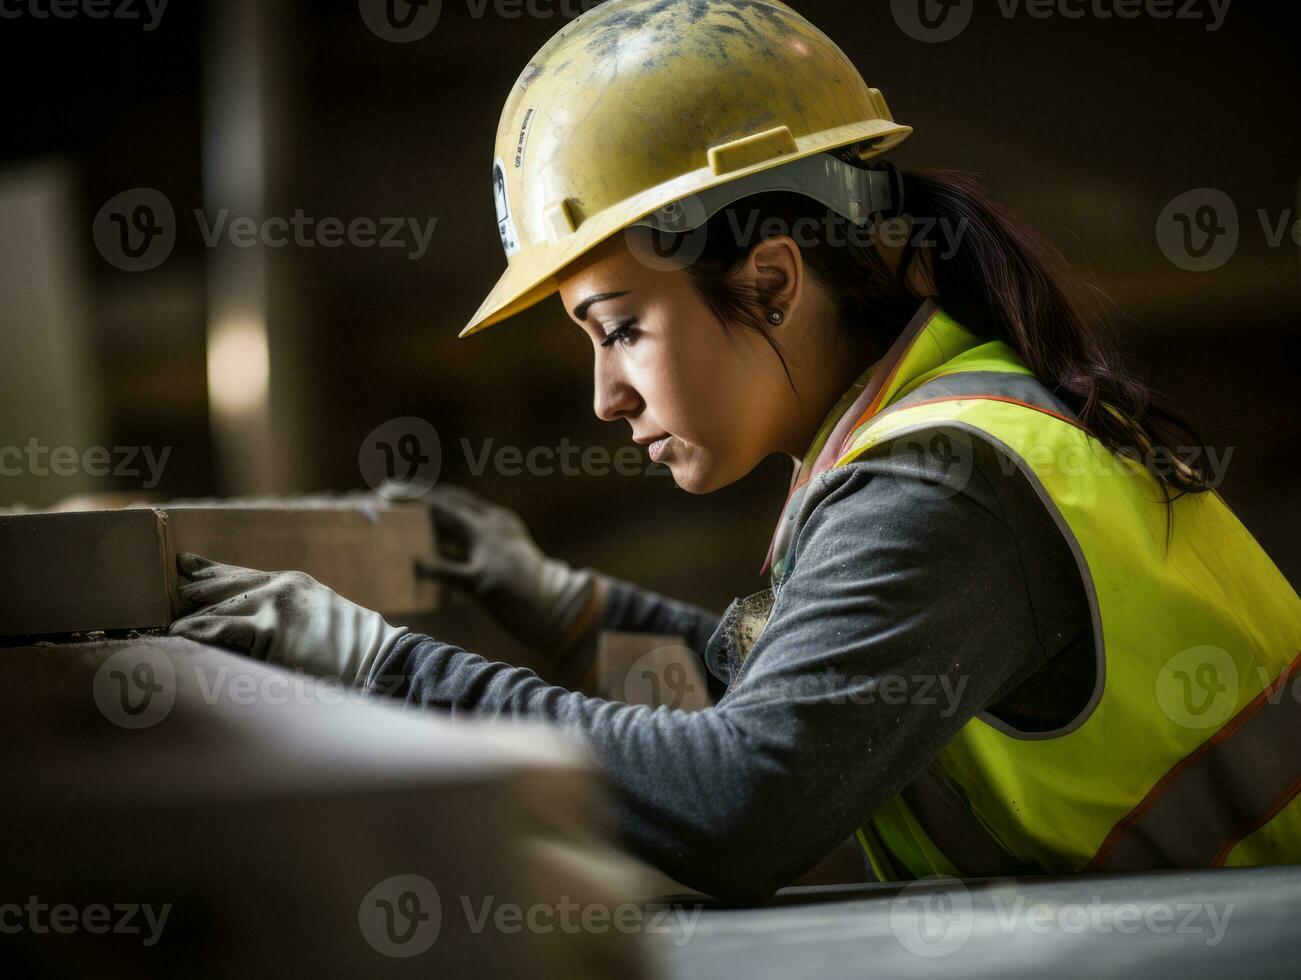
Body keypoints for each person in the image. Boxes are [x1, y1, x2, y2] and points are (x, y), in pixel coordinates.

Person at [171, 0, 1301, 902]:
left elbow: (736, 800)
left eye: (618, 328)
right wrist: (550, 600)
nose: (605, 396)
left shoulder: (944, 486)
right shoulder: (933, 431)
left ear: (769, 279)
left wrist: (376, 668)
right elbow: (781, 700)